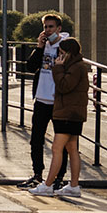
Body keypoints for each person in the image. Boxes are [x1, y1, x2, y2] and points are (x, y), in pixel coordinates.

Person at [28, 37, 89, 197]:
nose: (58, 57)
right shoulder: (77, 66)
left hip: (68, 114)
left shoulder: (75, 68)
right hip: (73, 113)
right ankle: (73, 186)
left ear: (68, 53)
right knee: (72, 149)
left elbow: (64, 86)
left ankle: (47, 185)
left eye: (61, 53)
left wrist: (58, 68)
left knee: (57, 149)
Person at [18, 14, 70, 189]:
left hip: (58, 101)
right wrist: (39, 47)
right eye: (45, 27)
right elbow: (31, 66)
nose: (47, 30)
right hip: (41, 99)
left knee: (60, 142)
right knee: (36, 139)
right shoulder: (44, 45)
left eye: (51, 27)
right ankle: (38, 174)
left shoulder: (66, 46)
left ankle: (59, 177)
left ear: (59, 28)